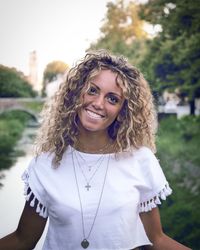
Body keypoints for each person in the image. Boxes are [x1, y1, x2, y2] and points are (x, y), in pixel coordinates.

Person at [0, 50, 191, 250]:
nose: (98, 104)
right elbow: (23, 240)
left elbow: (157, 240)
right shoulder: (45, 163)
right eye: (92, 90)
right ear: (76, 93)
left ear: (123, 110)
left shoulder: (139, 159)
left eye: (112, 99)